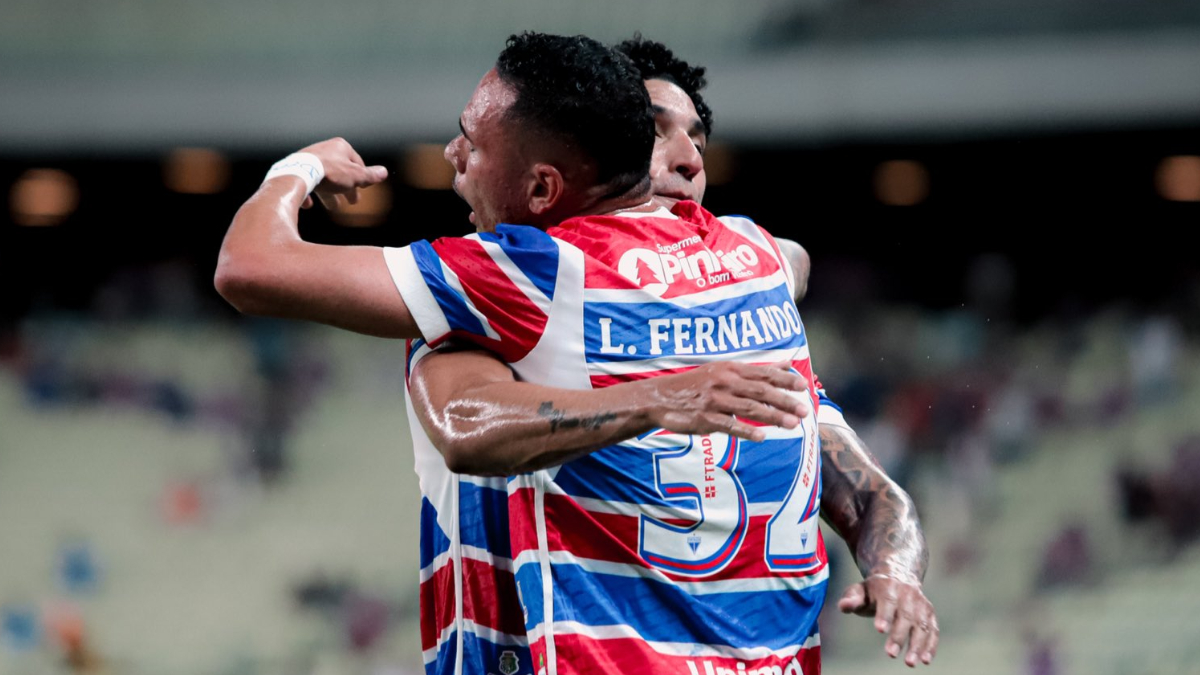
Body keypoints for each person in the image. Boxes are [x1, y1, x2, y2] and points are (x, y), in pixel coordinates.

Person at [216, 33, 814, 675]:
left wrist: (297, 169)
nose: (452, 154)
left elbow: (248, 268)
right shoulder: (756, 259)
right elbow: (796, 264)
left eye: (472, 144)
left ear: (541, 188)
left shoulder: (524, 273)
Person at [408, 36, 938, 671]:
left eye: (700, 145)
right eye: (655, 133)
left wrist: (894, 570)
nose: (689, 161)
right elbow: (465, 429)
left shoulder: (746, 342)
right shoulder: (472, 309)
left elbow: (873, 495)